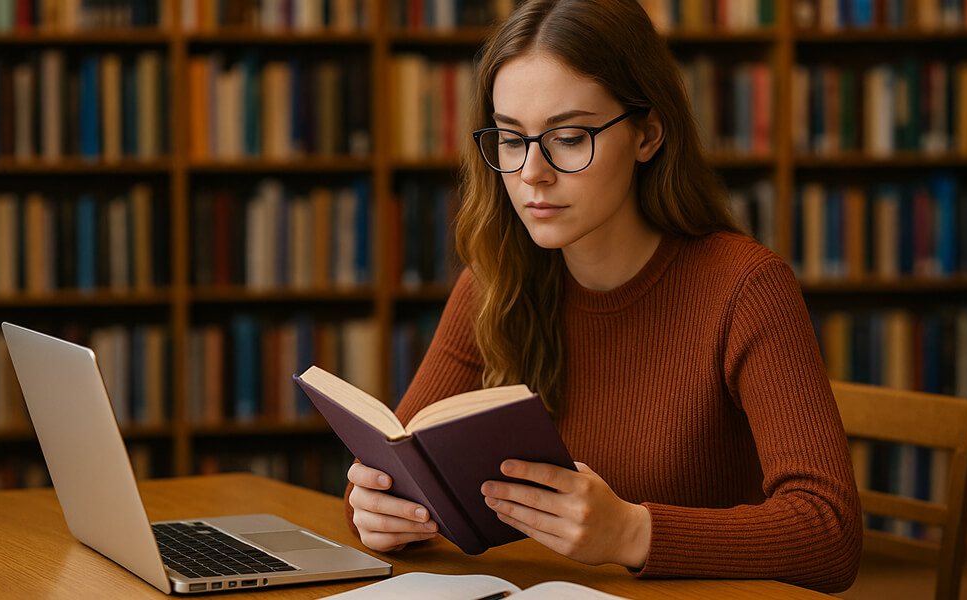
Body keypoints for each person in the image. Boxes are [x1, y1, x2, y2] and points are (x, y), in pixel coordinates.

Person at [346, 0, 862, 592]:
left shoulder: (744, 287)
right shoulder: (495, 280)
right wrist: (376, 508)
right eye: (511, 139)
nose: (532, 172)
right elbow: (397, 457)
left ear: (647, 134)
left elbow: (831, 534)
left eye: (567, 137)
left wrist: (631, 533)